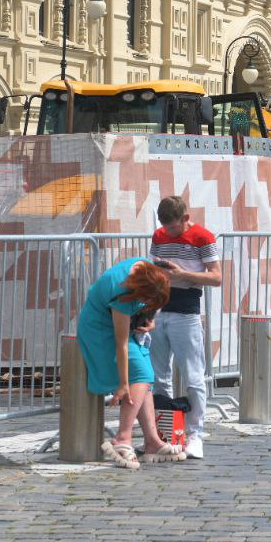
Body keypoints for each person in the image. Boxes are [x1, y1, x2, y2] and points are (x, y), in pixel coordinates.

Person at [76, 257, 184, 469]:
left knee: (146, 380)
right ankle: (122, 438)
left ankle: (152, 441)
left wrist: (148, 318)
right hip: (100, 330)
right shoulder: (123, 292)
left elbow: (145, 304)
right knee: (142, 376)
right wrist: (124, 384)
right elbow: (121, 344)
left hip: (118, 327)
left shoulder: (145, 271)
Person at [149, 196, 221, 460]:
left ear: (185, 218)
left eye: (174, 228)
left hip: (186, 312)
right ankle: (165, 434)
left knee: (193, 376)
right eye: (165, 227)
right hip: (159, 310)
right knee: (158, 376)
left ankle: (195, 435)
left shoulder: (203, 236)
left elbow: (216, 277)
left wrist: (183, 274)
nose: (169, 232)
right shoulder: (159, 235)